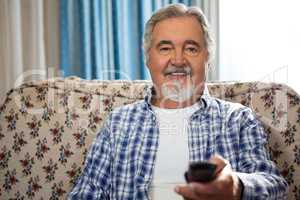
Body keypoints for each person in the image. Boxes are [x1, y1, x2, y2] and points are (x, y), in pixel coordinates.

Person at [68, 3, 288, 200]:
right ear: (148, 58)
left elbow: (275, 186)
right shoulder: (119, 122)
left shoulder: (237, 119)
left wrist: (237, 187)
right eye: (165, 48)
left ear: (207, 59)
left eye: (191, 48)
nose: (178, 59)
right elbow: (86, 192)